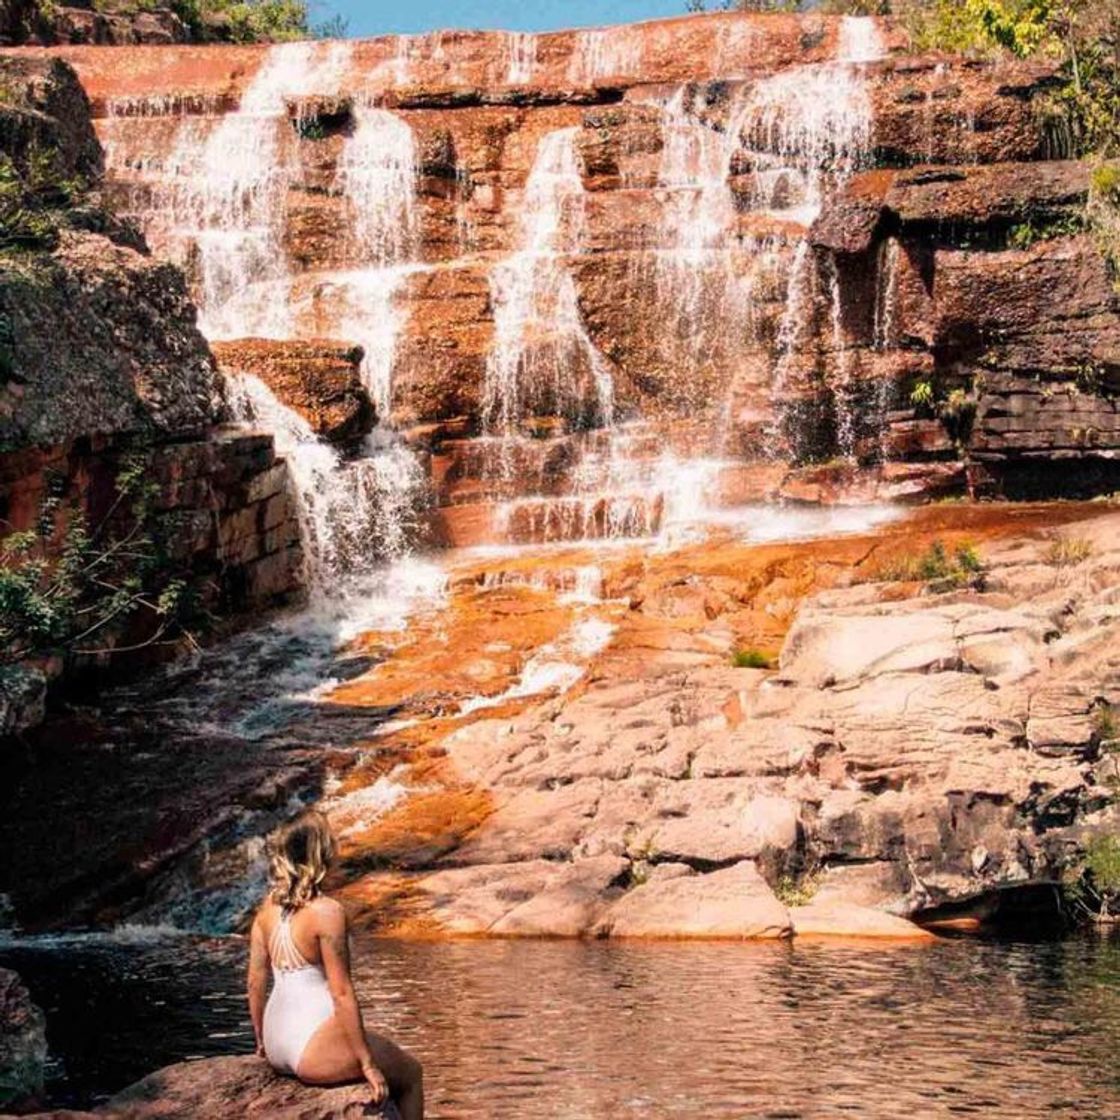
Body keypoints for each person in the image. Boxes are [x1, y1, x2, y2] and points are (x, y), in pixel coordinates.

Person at [247, 809, 424, 1119]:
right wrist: (367, 1064)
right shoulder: (327, 912)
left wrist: (261, 1041)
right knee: (411, 1074)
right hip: (311, 1047)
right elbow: (341, 993)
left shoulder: (266, 911)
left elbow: (255, 982)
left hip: (276, 1044)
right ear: (321, 852)